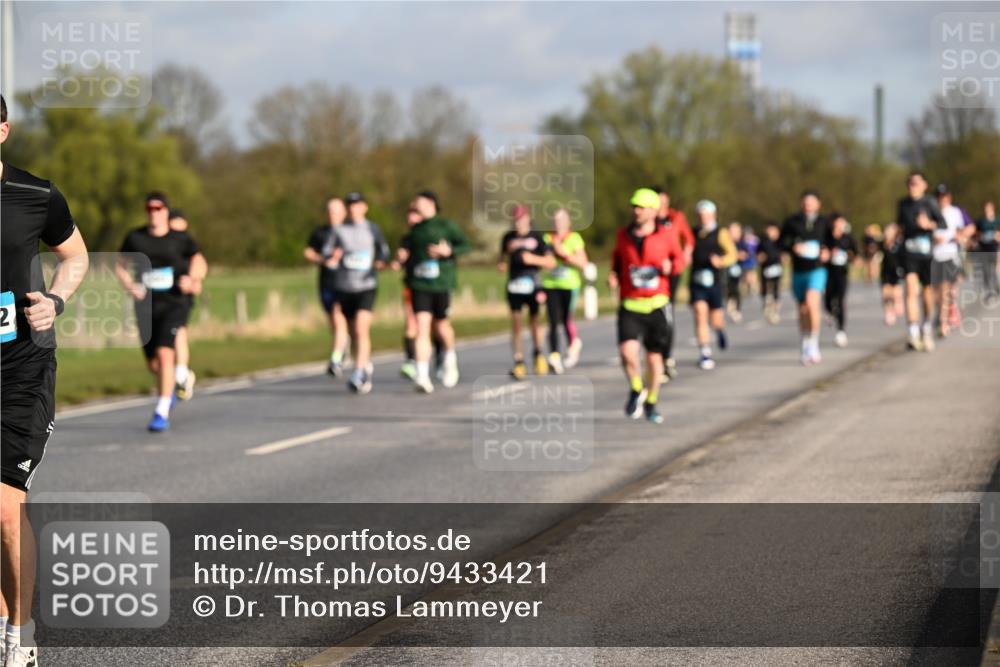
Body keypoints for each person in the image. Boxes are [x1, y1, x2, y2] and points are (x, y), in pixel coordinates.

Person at [1, 94, 90, 667]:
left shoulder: (37, 194)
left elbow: (75, 256)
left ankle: (21, 635)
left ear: (2, 130)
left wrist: (53, 301)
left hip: (21, 368)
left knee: (5, 509)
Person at [116, 192, 207, 431]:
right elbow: (120, 265)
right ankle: (168, 391)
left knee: (166, 353)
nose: (153, 212)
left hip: (175, 302)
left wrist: (193, 279)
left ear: (166, 210)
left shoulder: (180, 238)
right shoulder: (135, 238)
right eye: (149, 208)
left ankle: (161, 410)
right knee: (154, 364)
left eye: (158, 208)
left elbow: (198, 260)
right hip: (145, 306)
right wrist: (130, 285)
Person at [608, 188, 683, 424]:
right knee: (627, 353)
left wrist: (672, 267)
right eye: (634, 206)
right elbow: (617, 261)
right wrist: (613, 275)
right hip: (630, 303)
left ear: (653, 210)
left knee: (653, 359)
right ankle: (636, 387)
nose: (636, 211)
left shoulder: (666, 235)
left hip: (656, 305)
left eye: (641, 207)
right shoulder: (623, 235)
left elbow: (679, 259)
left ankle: (651, 400)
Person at [400, 190, 470, 393]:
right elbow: (406, 254)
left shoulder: (446, 226)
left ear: (430, 203)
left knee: (441, 327)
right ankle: (422, 375)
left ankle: (449, 356)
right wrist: (401, 258)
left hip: (442, 284)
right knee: (422, 328)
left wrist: (449, 252)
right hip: (420, 285)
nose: (415, 203)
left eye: (418, 200)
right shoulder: (415, 230)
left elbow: (465, 245)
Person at [331, 192, 389, 394]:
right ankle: (362, 362)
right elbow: (327, 252)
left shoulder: (373, 229)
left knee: (362, 329)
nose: (353, 208)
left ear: (365, 207)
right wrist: (332, 257)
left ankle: (358, 372)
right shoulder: (339, 230)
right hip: (345, 286)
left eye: (357, 204)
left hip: (367, 285)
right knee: (352, 331)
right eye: (350, 205)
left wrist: (381, 262)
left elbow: (383, 250)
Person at [498, 204, 554, 379]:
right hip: (514, 285)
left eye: (521, 220)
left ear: (528, 219)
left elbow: (551, 262)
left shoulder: (538, 237)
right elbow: (502, 259)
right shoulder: (508, 238)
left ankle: (538, 354)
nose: (518, 224)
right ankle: (519, 362)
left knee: (535, 322)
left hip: (534, 285)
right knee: (516, 323)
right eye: (515, 221)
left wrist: (532, 259)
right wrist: (502, 265)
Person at [781, 190, 831, 365]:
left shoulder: (825, 222)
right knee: (803, 309)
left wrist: (828, 253)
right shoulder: (792, 222)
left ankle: (814, 343)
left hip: (817, 269)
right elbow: (781, 242)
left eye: (811, 202)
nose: (808, 205)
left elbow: (833, 243)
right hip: (798, 270)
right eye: (805, 202)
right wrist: (792, 248)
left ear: (818, 204)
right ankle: (805, 342)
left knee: (812, 303)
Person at [897, 172, 946, 351]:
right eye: (910, 183)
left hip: (926, 253)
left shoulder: (930, 202)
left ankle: (926, 326)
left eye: (916, 183)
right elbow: (900, 225)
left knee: (926, 293)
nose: (912, 186)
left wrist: (929, 225)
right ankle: (913, 331)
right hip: (909, 252)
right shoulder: (903, 204)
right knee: (910, 289)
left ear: (924, 185)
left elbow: (942, 223)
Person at [689, 200, 737, 370]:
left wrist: (721, 261)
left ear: (713, 215)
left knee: (716, 319)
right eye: (700, 215)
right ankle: (705, 352)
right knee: (699, 314)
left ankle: (719, 331)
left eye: (707, 215)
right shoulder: (693, 233)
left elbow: (732, 254)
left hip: (715, 281)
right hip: (696, 280)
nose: (703, 219)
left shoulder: (720, 233)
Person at [304, 198, 350, 376]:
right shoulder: (320, 232)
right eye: (330, 212)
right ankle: (343, 344)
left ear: (343, 213)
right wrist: (322, 259)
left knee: (338, 318)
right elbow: (307, 252)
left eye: (336, 212)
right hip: (326, 283)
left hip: (345, 283)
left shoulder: (349, 232)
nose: (333, 215)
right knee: (333, 322)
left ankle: (336, 359)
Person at [652, 185, 693, 380]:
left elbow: (689, 241)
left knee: (666, 312)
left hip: (672, 272)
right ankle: (655, 357)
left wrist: (683, 259)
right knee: (652, 314)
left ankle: (666, 358)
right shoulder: (646, 219)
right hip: (652, 272)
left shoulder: (676, 218)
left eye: (663, 199)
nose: (661, 203)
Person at [542, 207, 588, 373]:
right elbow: (545, 260)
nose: (558, 222)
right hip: (550, 284)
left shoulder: (574, 238)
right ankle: (554, 355)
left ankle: (573, 342)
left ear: (568, 221)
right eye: (555, 219)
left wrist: (564, 255)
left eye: (561, 219)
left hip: (569, 285)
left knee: (565, 318)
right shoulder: (547, 238)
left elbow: (583, 263)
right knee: (553, 320)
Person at [167, 208, 202, 400]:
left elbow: (200, 264)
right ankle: (177, 377)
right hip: (159, 299)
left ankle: (180, 376)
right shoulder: (161, 242)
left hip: (180, 296)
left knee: (179, 331)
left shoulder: (188, 243)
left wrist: (194, 281)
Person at [932, 184, 969, 337]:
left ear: (949, 197)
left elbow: (968, 227)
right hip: (934, 254)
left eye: (944, 196)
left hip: (950, 254)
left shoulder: (955, 212)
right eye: (939, 196)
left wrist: (958, 236)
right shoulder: (931, 211)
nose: (942, 199)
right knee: (936, 293)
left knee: (947, 289)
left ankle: (943, 322)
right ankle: (941, 315)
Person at [824, 213, 858, 348]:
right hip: (828, 273)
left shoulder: (848, 238)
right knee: (827, 300)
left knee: (840, 300)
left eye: (842, 223)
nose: (840, 226)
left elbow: (855, 255)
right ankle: (830, 312)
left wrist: (850, 256)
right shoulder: (827, 237)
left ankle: (841, 331)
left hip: (842, 274)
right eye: (837, 223)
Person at [757, 222, 784, 324]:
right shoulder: (763, 241)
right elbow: (758, 254)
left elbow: (784, 252)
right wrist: (760, 257)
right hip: (766, 268)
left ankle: (775, 310)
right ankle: (765, 304)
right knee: (765, 288)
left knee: (776, 289)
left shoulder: (780, 241)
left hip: (776, 267)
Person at [880, 223, 905, 326]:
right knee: (885, 294)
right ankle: (888, 313)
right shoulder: (883, 244)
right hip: (886, 271)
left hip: (897, 271)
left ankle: (898, 304)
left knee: (895, 293)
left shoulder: (899, 243)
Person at [975, 199, 999, 301]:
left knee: (994, 269)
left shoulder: (997, 220)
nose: (986, 211)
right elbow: (975, 234)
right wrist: (979, 238)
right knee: (985, 270)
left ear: (992, 209)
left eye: (988, 209)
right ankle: (988, 290)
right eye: (985, 209)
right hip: (983, 248)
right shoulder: (981, 222)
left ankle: (996, 287)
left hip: (994, 247)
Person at [725, 222, 746, 323]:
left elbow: (745, 255)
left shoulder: (741, 243)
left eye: (735, 231)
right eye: (731, 231)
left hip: (737, 270)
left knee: (736, 289)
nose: (733, 233)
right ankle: (729, 304)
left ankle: (737, 309)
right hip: (726, 270)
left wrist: (737, 255)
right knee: (727, 288)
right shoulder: (724, 243)